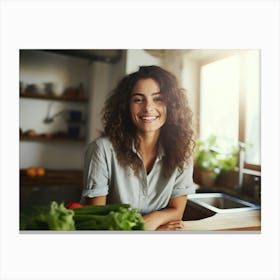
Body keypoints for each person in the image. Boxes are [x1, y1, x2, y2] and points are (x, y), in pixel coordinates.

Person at [81, 65, 195, 230]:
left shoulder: (182, 152)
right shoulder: (102, 150)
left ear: (171, 105)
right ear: (126, 106)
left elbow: (177, 211)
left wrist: (154, 219)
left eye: (158, 99)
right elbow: (97, 219)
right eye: (138, 99)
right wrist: (145, 227)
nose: (148, 108)